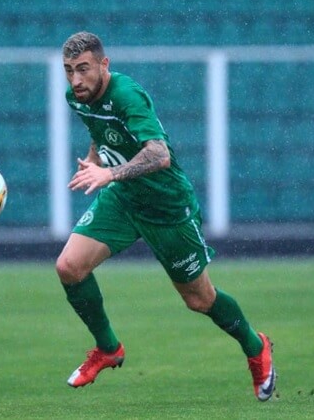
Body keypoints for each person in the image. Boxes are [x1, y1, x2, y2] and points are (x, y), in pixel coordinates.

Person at [54, 31, 276, 401]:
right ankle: (108, 348)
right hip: (124, 199)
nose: (76, 80)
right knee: (69, 267)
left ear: (104, 65)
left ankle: (256, 347)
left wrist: (108, 173)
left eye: (83, 69)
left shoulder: (127, 95)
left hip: (167, 206)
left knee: (199, 300)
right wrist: (95, 158)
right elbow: (101, 129)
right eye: (68, 71)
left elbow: (159, 154)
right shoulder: (76, 97)